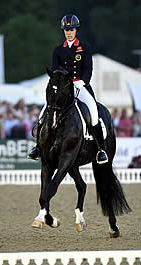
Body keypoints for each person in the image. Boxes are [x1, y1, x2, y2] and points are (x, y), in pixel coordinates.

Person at [28, 14, 108, 164]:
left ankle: (100, 150)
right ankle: (38, 147)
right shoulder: (58, 50)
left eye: (71, 29)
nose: (69, 32)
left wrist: (82, 81)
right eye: (66, 30)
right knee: (42, 115)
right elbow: (54, 70)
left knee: (93, 112)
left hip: (80, 86)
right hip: (63, 88)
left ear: (76, 30)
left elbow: (88, 69)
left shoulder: (84, 48)